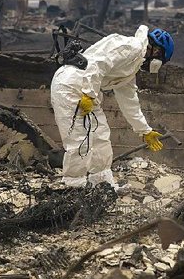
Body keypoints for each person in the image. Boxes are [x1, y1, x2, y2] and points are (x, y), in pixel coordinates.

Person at [50, 25, 174, 188]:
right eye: (160, 59)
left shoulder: (132, 65)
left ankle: (102, 185)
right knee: (80, 141)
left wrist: (144, 130)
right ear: (157, 51)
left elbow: (129, 100)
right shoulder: (131, 47)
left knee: (100, 137)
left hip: (87, 90)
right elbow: (97, 64)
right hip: (70, 86)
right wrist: (88, 93)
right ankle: (74, 187)